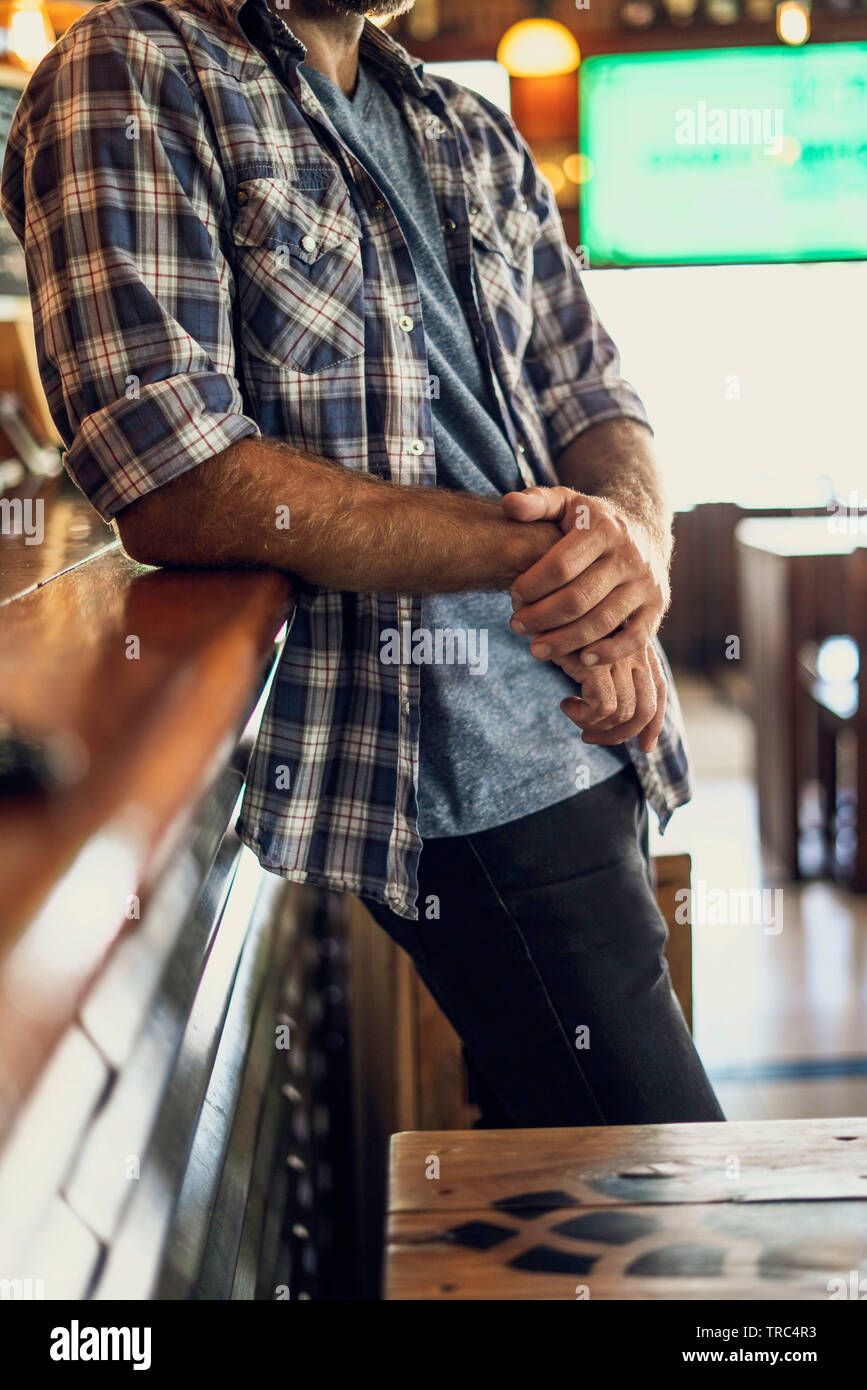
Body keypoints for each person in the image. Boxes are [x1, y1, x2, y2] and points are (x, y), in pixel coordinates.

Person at [1, 0, 723, 1126]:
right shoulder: (130, 64)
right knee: (660, 1185)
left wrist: (630, 546)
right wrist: (564, 552)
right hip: (457, 767)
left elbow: (600, 399)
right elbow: (173, 475)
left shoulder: (462, 122)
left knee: (577, 1198)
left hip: (600, 725)